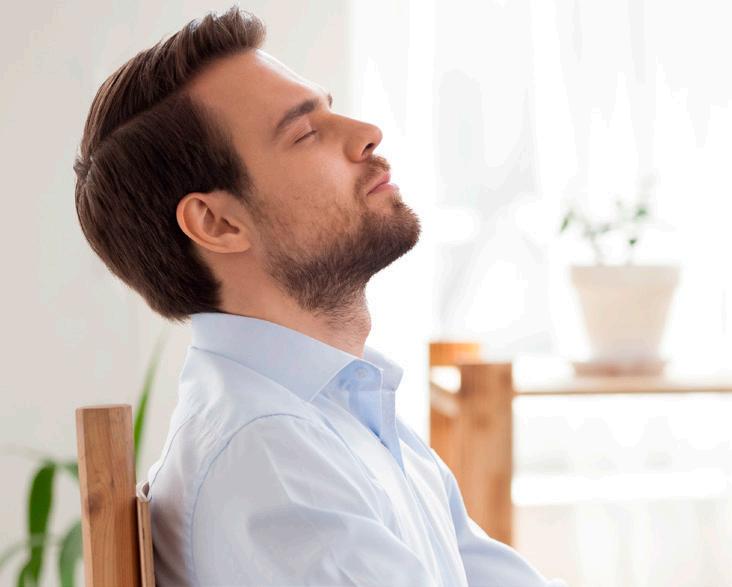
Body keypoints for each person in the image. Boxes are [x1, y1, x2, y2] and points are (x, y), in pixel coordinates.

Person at [73, 6, 562, 586]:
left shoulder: (340, 410)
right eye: (305, 132)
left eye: (330, 109)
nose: (367, 132)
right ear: (218, 222)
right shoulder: (272, 458)